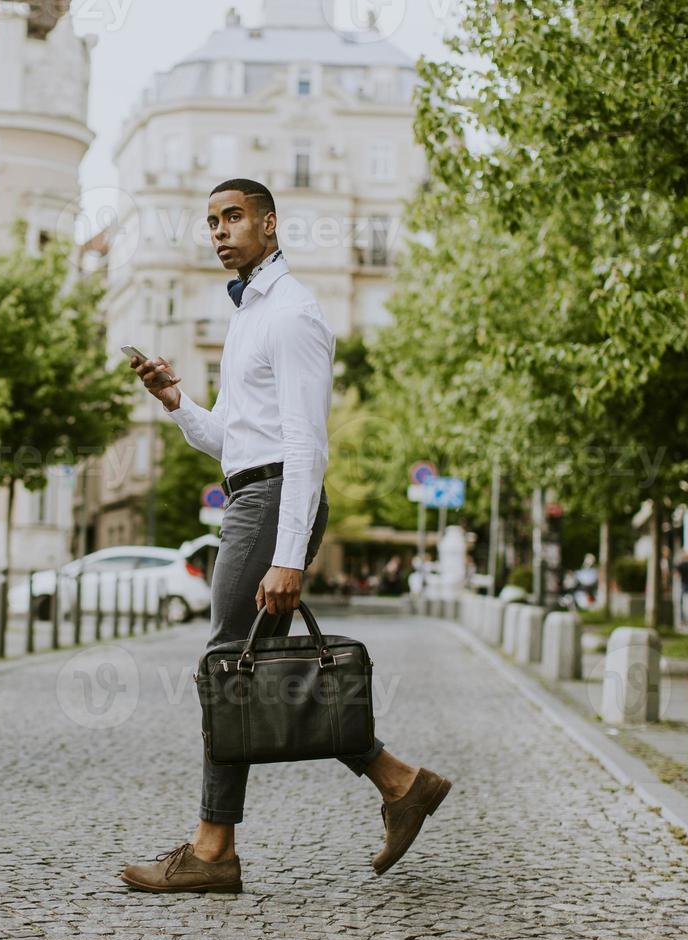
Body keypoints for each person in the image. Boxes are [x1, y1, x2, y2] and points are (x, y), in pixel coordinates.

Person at [120, 178, 451, 894]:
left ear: (270, 225)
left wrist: (288, 554)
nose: (219, 231)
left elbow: (305, 444)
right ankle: (400, 782)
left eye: (233, 217)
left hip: (272, 502)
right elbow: (233, 440)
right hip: (253, 493)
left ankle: (213, 852)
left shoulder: (294, 312)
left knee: (224, 671)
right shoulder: (247, 317)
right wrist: (177, 400)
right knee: (243, 673)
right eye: (210, 221)